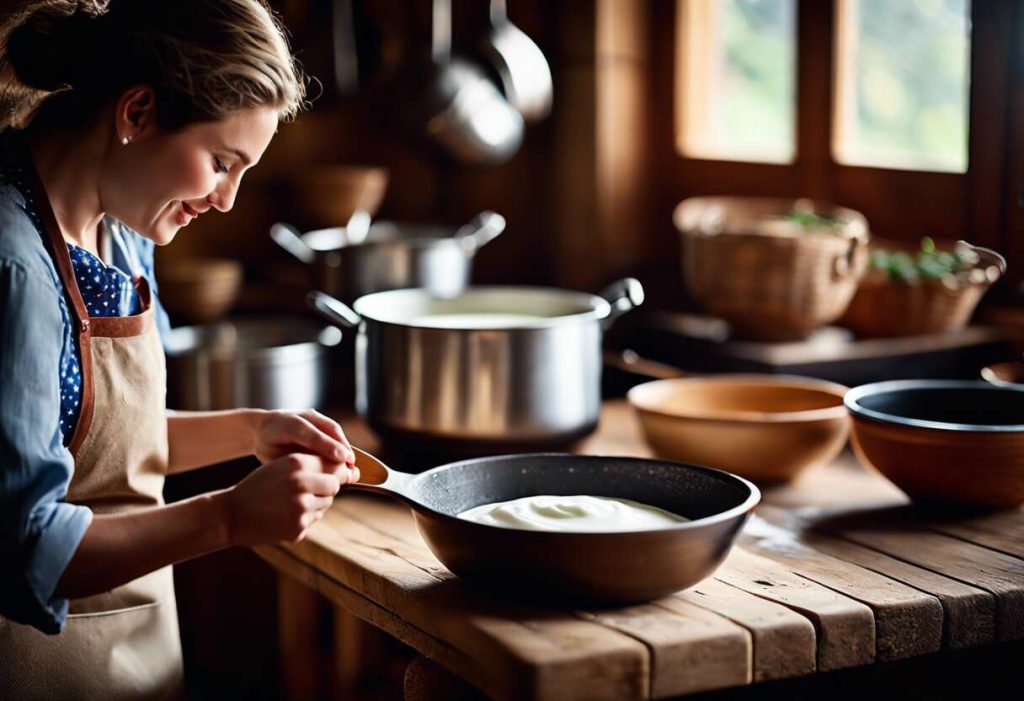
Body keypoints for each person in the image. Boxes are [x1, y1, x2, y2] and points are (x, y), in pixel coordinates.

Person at [0, 1, 360, 697]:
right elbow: (25, 547)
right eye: (222, 162)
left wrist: (254, 430)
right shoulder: (16, 270)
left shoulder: (126, 234)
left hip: (133, 656)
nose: (227, 200)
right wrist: (228, 516)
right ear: (137, 113)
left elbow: (109, 437)